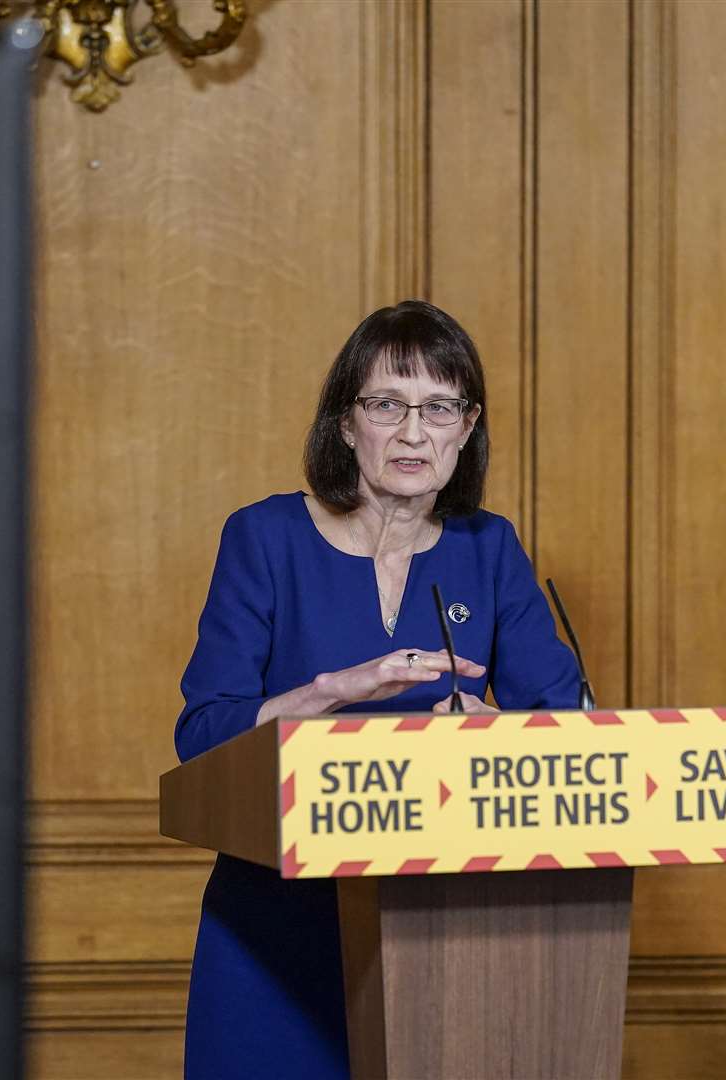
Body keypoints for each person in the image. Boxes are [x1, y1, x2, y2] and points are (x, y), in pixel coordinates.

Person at [175, 299, 582, 1078]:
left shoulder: (489, 549)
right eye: (387, 404)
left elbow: (566, 723)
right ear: (344, 422)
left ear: (468, 429)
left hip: (448, 937)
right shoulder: (264, 538)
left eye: (439, 407)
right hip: (277, 923)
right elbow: (202, 737)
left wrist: (492, 728)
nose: (413, 431)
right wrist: (331, 689)